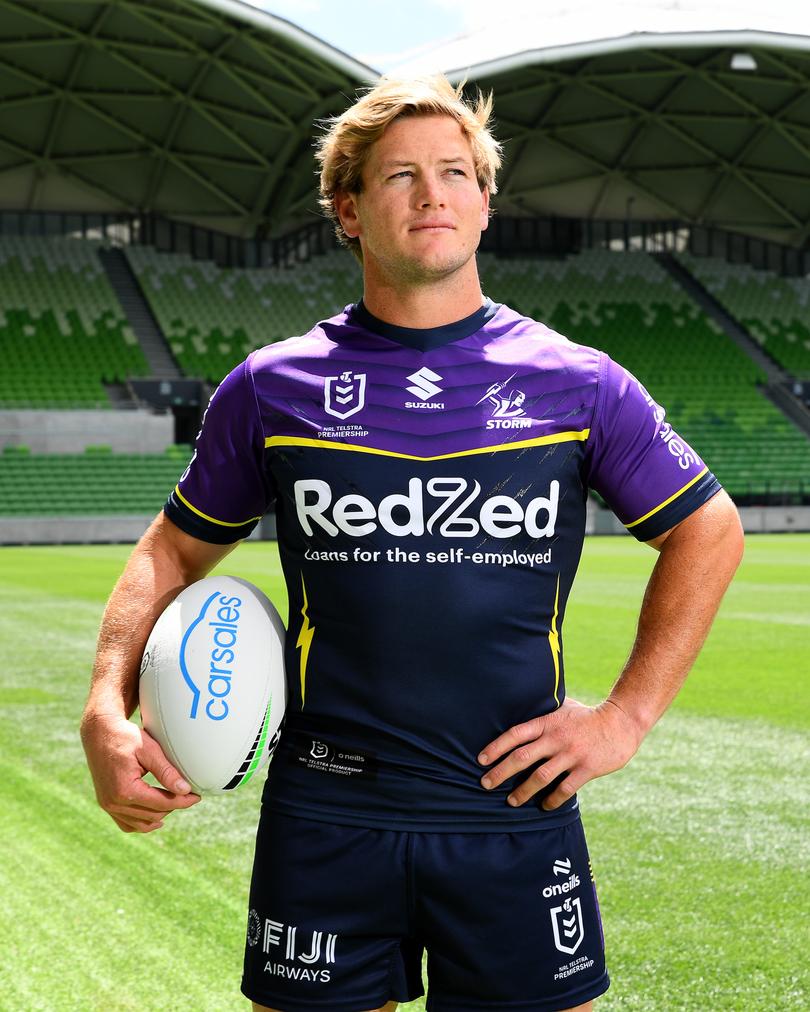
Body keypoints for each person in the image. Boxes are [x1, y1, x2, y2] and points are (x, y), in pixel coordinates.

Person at [81, 75, 744, 1012]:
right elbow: (171, 551)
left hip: (512, 812)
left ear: (483, 204)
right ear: (349, 212)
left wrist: (626, 717)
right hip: (328, 817)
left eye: (454, 172)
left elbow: (707, 529)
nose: (432, 193)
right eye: (399, 176)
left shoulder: (577, 383)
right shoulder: (274, 387)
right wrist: (104, 706)